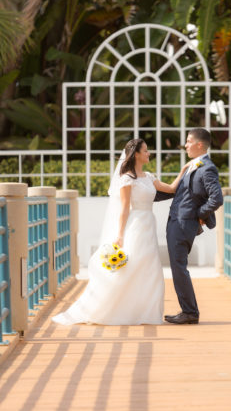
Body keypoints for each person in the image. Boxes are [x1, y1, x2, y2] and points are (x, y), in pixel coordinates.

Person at [52, 138, 190, 326]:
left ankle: (147, 312)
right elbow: (125, 208)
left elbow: (172, 189)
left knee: (150, 269)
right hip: (135, 225)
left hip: (149, 223)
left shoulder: (149, 177)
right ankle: (113, 308)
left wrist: (185, 170)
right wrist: (119, 235)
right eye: (146, 150)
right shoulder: (126, 179)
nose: (149, 153)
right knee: (131, 267)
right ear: (137, 155)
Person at [155, 128, 223, 325]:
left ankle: (190, 312)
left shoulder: (207, 168)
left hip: (184, 223)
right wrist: (145, 194)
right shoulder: (193, 166)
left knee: (178, 267)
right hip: (177, 222)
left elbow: (216, 198)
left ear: (199, 145)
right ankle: (189, 310)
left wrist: (199, 215)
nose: (185, 145)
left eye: (188, 141)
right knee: (178, 266)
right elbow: (179, 192)